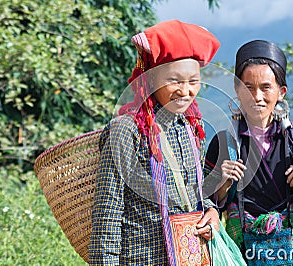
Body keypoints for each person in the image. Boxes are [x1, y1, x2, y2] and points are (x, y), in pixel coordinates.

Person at [89, 20, 220, 265]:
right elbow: (107, 218)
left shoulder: (191, 128)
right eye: (175, 80)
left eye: (193, 81)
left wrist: (212, 212)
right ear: (150, 79)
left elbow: (196, 191)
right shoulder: (126, 131)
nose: (185, 91)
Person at [204, 40, 293, 265]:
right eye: (248, 87)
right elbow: (202, 202)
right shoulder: (223, 143)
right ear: (237, 89)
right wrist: (222, 185)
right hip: (242, 256)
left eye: (266, 87)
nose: (257, 96)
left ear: (281, 92)